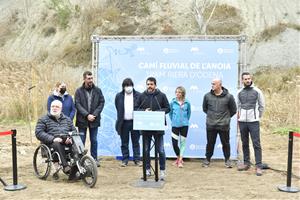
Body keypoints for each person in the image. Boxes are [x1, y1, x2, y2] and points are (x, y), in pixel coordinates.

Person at [134, 77, 170, 180]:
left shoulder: (162, 95)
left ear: (155, 85)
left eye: (151, 84)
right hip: (145, 128)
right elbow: (136, 108)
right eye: (148, 84)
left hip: (158, 127)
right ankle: (147, 170)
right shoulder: (142, 96)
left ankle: (162, 171)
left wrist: (157, 113)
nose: (149, 86)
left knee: (161, 150)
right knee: (145, 150)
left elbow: (168, 108)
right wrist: (144, 110)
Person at [35, 100, 77, 179]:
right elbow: (39, 133)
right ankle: (65, 166)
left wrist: (70, 138)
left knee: (76, 144)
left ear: (61, 109)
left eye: (57, 107)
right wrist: (53, 139)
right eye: (53, 106)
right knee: (57, 144)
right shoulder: (43, 119)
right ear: (50, 107)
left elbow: (74, 131)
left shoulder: (67, 120)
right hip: (50, 143)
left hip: (66, 141)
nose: (54, 108)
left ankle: (80, 165)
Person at [202, 78, 237, 168]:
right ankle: (207, 160)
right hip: (211, 125)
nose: (212, 85)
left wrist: (225, 119)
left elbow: (233, 110)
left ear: (220, 85)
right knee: (210, 143)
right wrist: (212, 117)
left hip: (223, 125)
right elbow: (205, 109)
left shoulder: (229, 97)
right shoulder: (207, 96)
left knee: (226, 143)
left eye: (214, 84)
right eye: (212, 84)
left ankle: (227, 160)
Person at [237, 72, 265, 176]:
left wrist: (257, 117)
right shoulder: (239, 92)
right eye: (245, 79)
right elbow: (237, 106)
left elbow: (262, 106)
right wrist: (240, 118)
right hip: (242, 122)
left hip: (254, 122)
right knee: (244, 143)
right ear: (242, 80)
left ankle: (258, 166)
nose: (248, 80)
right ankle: (246, 163)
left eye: (249, 78)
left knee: (256, 144)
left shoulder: (257, 91)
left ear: (251, 79)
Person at [75, 71, 105, 167]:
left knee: (94, 140)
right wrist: (87, 115)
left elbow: (101, 102)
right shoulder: (78, 91)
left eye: (91, 78)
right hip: (82, 120)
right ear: (84, 79)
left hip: (94, 120)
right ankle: (81, 160)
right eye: (88, 78)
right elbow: (77, 104)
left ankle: (94, 159)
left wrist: (94, 114)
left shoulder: (98, 90)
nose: (90, 80)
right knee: (81, 141)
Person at [115, 78, 142, 167]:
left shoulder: (138, 95)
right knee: (124, 142)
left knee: (136, 142)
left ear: (132, 86)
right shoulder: (119, 96)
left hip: (135, 122)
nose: (128, 88)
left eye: (130, 85)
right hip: (124, 123)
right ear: (123, 87)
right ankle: (125, 159)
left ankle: (137, 159)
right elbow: (118, 108)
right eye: (126, 86)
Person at [169, 86, 191, 168]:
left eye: (179, 92)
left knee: (182, 143)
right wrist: (174, 120)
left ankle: (180, 160)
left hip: (184, 126)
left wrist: (185, 121)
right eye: (176, 92)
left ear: (183, 94)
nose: (177, 94)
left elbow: (189, 114)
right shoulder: (172, 102)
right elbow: (170, 113)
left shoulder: (187, 102)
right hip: (175, 125)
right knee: (174, 143)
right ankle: (178, 158)